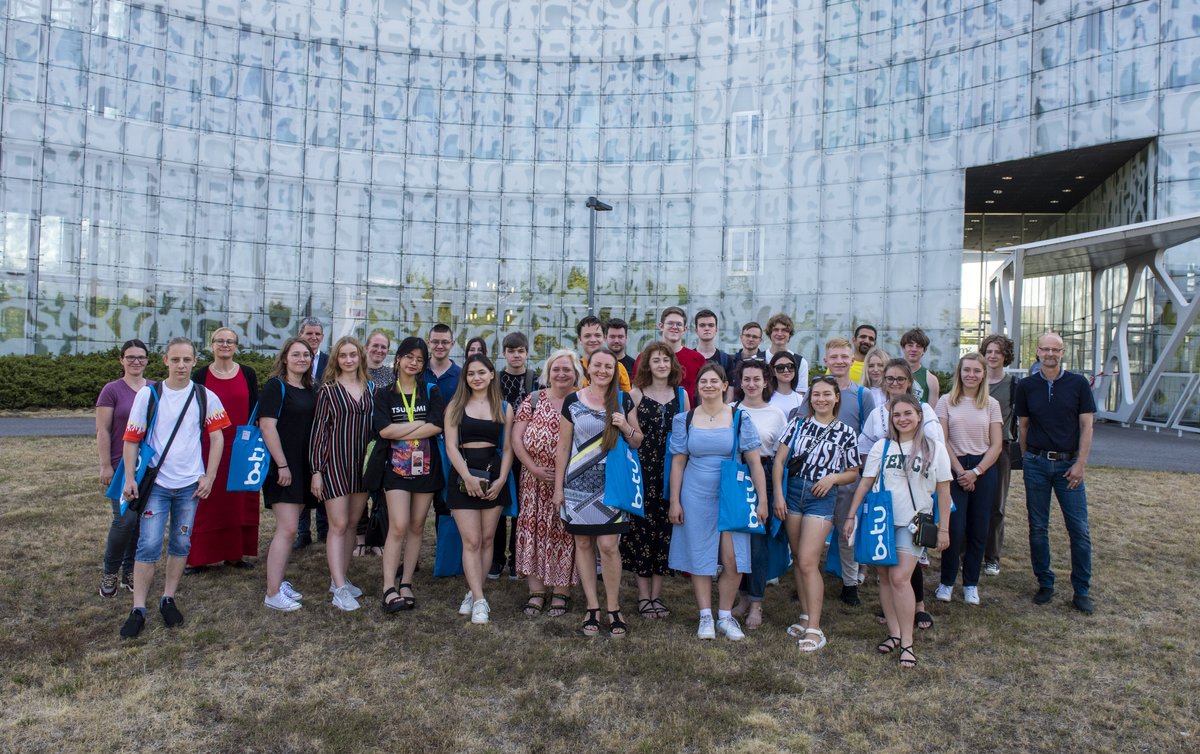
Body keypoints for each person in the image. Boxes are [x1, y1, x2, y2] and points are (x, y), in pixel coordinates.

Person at [118, 337, 231, 639]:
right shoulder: (149, 394)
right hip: (156, 484)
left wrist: (209, 476)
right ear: (165, 361)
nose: (181, 366)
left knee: (181, 544)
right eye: (175, 360)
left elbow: (218, 439)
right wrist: (130, 477)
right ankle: (138, 608)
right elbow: (131, 439)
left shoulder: (205, 396)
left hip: (189, 486)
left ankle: (168, 598)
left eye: (187, 360)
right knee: (149, 545)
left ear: (195, 362)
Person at [844, 394, 952, 668]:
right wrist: (851, 515)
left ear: (919, 415)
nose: (902, 419)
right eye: (896, 415)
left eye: (907, 413)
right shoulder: (882, 446)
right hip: (882, 520)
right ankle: (893, 633)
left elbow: (943, 490)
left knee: (901, 578)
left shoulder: (934, 448)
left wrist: (944, 530)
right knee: (885, 577)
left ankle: (907, 641)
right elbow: (866, 484)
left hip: (913, 522)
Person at [669, 363, 767, 641]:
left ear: (725, 386)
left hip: (732, 493)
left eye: (714, 381)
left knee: (733, 559)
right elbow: (678, 462)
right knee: (700, 557)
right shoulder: (684, 419)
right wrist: (674, 501)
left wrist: (762, 501)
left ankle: (725, 615)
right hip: (695, 491)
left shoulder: (739, 417)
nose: (708, 385)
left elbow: (755, 462)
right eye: (703, 381)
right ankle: (705, 617)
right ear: (698, 387)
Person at [553, 348, 642, 637]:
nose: (603, 370)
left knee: (608, 546)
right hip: (577, 484)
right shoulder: (572, 401)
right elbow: (563, 447)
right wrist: (558, 488)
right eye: (598, 365)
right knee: (583, 544)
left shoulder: (623, 399)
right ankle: (592, 607)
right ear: (588, 368)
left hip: (612, 485)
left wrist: (625, 426)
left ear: (615, 371)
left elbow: (638, 440)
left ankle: (614, 607)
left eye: (609, 366)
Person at [773, 376, 861, 651]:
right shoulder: (797, 424)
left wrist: (833, 478)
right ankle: (804, 614)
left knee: (810, 560)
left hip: (821, 497)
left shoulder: (846, 432)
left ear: (837, 398)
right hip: (793, 493)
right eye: (816, 394)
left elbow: (853, 472)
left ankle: (815, 629)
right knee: (798, 558)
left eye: (827, 394)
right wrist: (777, 494)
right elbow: (779, 461)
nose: (821, 399)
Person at [859, 358, 944, 630]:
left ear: (910, 382)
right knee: (888, 562)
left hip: (916, 494)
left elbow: (933, 448)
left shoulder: (925, 410)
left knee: (907, 560)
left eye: (900, 379)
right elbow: (867, 447)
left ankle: (918, 606)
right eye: (890, 379)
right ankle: (895, 615)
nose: (894, 383)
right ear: (882, 382)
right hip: (886, 494)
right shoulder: (877, 412)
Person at [1015, 332, 1096, 614]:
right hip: (1036, 464)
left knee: (1079, 530)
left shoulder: (1078, 384)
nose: (1050, 354)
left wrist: (1080, 464)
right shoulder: (1026, 386)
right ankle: (1045, 583)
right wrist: (1027, 458)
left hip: (1068, 466)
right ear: (1037, 352)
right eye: (1045, 349)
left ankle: (1081, 589)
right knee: (1038, 527)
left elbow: (1087, 427)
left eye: (1056, 349)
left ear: (1063, 353)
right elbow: (1023, 427)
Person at [804, 338, 876, 606]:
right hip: (814, 476)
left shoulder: (862, 395)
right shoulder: (815, 390)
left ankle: (850, 583)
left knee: (846, 533)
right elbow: (803, 424)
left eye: (844, 356)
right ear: (825, 360)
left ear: (852, 360)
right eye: (833, 356)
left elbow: (869, 436)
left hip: (847, 475)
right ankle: (806, 578)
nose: (839, 361)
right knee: (810, 533)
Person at [443, 354, 514, 625]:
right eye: (471, 373)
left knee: (486, 540)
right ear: (466, 378)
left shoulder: (504, 407)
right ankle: (480, 600)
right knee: (471, 541)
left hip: (493, 475)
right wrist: (467, 477)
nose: (476, 377)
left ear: (492, 374)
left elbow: (507, 449)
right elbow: (450, 446)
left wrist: (502, 479)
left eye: (481, 372)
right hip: (464, 475)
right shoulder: (455, 406)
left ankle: (474, 593)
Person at [375, 337, 445, 613]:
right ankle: (388, 587)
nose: (413, 363)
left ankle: (406, 582)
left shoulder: (431, 390)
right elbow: (383, 431)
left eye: (419, 359)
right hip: (395, 468)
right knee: (399, 525)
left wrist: (403, 427)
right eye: (409, 357)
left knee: (417, 526)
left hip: (426, 468)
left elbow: (437, 426)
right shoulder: (384, 394)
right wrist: (419, 425)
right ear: (399, 359)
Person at [623, 342, 690, 620]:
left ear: (672, 364)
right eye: (655, 360)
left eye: (665, 360)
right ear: (646, 365)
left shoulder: (682, 395)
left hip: (672, 471)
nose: (661, 365)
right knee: (641, 531)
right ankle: (642, 595)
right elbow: (631, 437)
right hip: (643, 470)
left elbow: (688, 436)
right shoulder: (635, 394)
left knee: (665, 532)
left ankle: (657, 594)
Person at [513, 350, 581, 618]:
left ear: (576, 373)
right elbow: (516, 439)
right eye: (556, 369)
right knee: (533, 532)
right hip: (533, 481)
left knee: (562, 534)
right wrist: (535, 469)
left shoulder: (580, 401)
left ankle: (561, 591)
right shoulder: (532, 400)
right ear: (548, 372)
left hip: (569, 481)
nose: (561, 374)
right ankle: (537, 591)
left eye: (567, 369)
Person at [186, 327, 259, 573]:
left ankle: (234, 554)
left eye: (230, 341)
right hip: (208, 446)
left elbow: (254, 410)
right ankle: (199, 557)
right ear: (212, 344)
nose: (225, 345)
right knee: (205, 500)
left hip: (240, 447)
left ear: (237, 346)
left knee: (237, 501)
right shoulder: (200, 375)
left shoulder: (248, 373)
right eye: (220, 341)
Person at [309, 335, 374, 612]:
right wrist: (317, 470)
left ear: (360, 357)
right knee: (336, 525)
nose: (349, 360)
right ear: (336, 359)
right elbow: (319, 433)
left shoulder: (370, 388)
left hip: (361, 466)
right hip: (335, 464)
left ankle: (342, 577)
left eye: (353, 355)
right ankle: (337, 586)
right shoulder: (328, 391)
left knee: (351, 524)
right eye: (343, 355)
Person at [934, 353, 1003, 605]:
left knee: (978, 528)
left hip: (983, 469)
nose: (971, 375)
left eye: (976, 370)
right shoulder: (946, 401)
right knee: (955, 526)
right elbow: (943, 439)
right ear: (959, 373)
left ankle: (971, 583)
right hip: (954, 468)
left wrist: (976, 472)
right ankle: (947, 581)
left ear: (984, 374)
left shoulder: (991, 404)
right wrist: (959, 470)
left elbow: (996, 445)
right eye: (967, 370)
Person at [258, 338, 318, 611]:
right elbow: (267, 427)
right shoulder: (275, 387)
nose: (302, 359)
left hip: (304, 467)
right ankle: (272, 593)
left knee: (290, 527)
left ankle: (278, 581)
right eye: (296, 354)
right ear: (285, 358)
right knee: (288, 528)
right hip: (284, 468)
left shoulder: (310, 389)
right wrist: (282, 465)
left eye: (306, 354)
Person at [728, 359, 787, 629]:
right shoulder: (730, 410)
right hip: (735, 476)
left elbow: (779, 457)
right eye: (746, 379)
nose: (751, 384)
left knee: (758, 544)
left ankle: (757, 603)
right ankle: (742, 597)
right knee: (737, 540)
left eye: (756, 379)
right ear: (740, 382)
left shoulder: (776, 413)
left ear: (766, 382)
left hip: (763, 474)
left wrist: (773, 496)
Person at [97, 339, 149, 598]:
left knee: (139, 521)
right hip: (120, 465)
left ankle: (130, 570)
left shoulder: (154, 388)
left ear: (147, 360)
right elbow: (103, 430)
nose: (136, 361)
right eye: (130, 357)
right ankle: (110, 571)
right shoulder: (112, 390)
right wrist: (105, 465)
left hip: (147, 466)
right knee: (124, 520)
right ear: (122, 360)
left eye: (140, 357)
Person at [490, 331, 539, 580]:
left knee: (521, 507)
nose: (516, 355)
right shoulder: (494, 380)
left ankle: (516, 558)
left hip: (525, 452)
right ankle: (496, 559)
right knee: (497, 503)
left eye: (520, 351)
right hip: (498, 449)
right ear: (504, 353)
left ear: (526, 353)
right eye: (511, 351)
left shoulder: (536, 381)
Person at [981, 333, 1017, 576]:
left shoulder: (1013, 385)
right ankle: (963, 552)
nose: (993, 356)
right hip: (972, 445)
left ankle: (991, 556)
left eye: (998, 352)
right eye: (989, 352)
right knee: (968, 503)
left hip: (1001, 447)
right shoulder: (973, 380)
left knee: (997, 505)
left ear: (1006, 357)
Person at [358, 330, 394, 557]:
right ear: (366, 346)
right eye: (375, 346)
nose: (379, 351)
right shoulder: (357, 372)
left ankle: (377, 537)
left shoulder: (392, 376)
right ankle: (360, 537)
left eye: (383, 347)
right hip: (357, 438)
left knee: (381, 491)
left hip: (382, 439)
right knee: (359, 488)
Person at [294, 317, 328, 550]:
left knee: (324, 479)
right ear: (301, 335)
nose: (313, 338)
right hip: (301, 427)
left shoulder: (328, 361)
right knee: (301, 480)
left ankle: (324, 531)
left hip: (325, 428)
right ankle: (302, 532)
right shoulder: (294, 358)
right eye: (309, 334)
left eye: (317, 334)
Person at [652, 306, 707, 398]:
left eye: (679, 324)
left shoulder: (698, 359)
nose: (674, 327)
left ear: (685, 329)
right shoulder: (646, 358)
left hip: (690, 412)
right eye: (670, 323)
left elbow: (705, 393)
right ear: (661, 326)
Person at [577, 315, 631, 392]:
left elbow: (627, 400)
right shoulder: (574, 368)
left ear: (603, 337)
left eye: (597, 335)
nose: (593, 339)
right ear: (580, 339)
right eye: (587, 336)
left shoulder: (618, 367)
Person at [764, 313, 810, 393]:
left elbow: (801, 393)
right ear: (770, 333)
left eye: (784, 330)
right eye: (776, 330)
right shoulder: (756, 360)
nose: (779, 334)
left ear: (790, 334)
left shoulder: (801, 362)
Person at [899, 327, 940, 406]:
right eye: (910, 345)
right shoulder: (891, 373)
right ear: (903, 348)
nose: (914, 349)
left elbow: (932, 413)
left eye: (918, 346)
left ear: (924, 350)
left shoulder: (931, 380)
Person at [424, 323, 461, 398]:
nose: (440, 346)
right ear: (428, 343)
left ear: (452, 344)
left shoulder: (461, 375)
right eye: (435, 342)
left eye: (445, 342)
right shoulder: (419, 371)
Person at [694, 309, 733, 374]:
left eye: (711, 325)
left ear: (716, 330)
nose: (707, 328)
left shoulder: (726, 360)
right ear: (696, 330)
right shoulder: (688, 358)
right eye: (702, 325)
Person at [768, 351, 805, 419]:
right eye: (780, 367)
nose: (786, 370)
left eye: (790, 366)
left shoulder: (801, 400)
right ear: (773, 371)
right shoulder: (766, 398)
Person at [859, 345, 890, 409]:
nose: (875, 370)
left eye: (880, 365)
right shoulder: (860, 393)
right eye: (871, 366)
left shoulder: (892, 392)